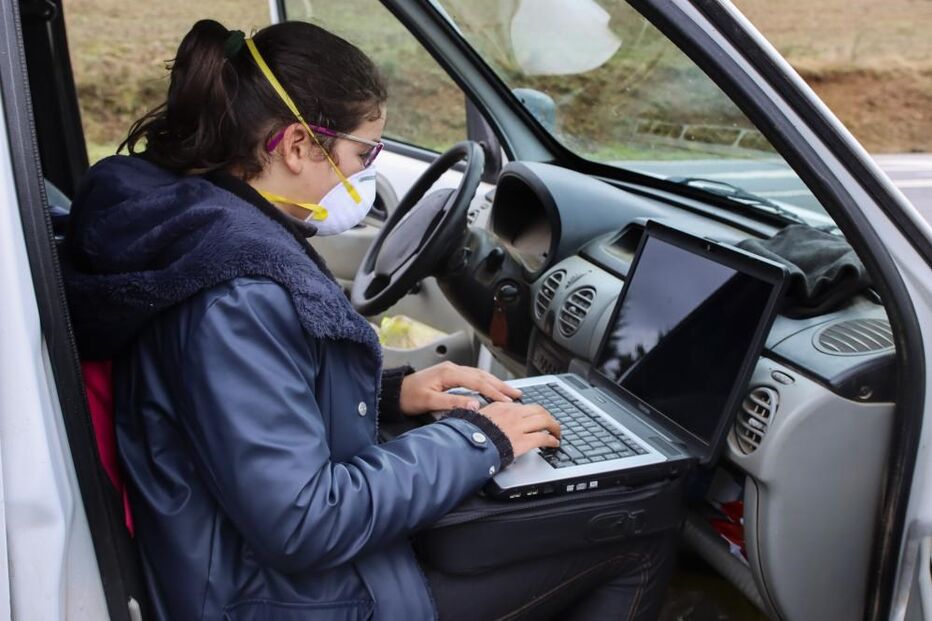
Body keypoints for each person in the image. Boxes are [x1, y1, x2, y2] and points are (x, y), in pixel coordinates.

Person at [63, 19, 674, 621]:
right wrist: (483, 439)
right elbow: (305, 523)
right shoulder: (237, 293)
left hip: (236, 557)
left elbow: (251, 410)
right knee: (637, 533)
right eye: (364, 151)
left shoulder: (199, 229)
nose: (366, 172)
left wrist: (390, 395)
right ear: (296, 145)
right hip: (268, 598)